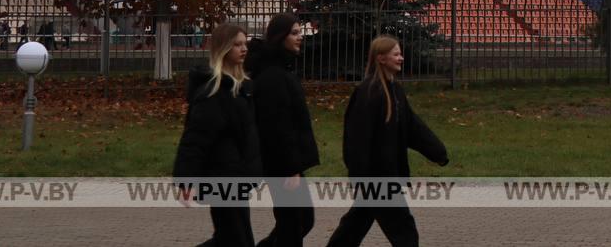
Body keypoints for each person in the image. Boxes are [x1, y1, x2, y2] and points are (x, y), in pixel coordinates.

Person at [326, 36, 449, 247]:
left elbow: (413, 128)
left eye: (400, 53)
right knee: (405, 234)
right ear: (381, 58)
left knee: (353, 229)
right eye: (396, 54)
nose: (401, 58)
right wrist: (360, 179)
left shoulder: (396, 91)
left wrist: (437, 152)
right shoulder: (368, 93)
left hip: (385, 176)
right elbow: (357, 141)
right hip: (378, 178)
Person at [173, 22, 262, 247]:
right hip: (222, 178)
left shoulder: (241, 88)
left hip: (237, 178)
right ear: (223, 49)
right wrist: (186, 181)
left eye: (245, 44)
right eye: (237, 45)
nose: (244, 49)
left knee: (229, 240)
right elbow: (194, 140)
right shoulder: (213, 93)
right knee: (236, 241)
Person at [246, 13, 319, 247]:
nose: (300, 38)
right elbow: (277, 126)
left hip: (289, 163)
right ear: (281, 37)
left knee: (301, 220)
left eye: (300, 33)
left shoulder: (282, 69)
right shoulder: (273, 76)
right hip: (281, 165)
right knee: (292, 225)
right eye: (295, 33)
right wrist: (290, 169)